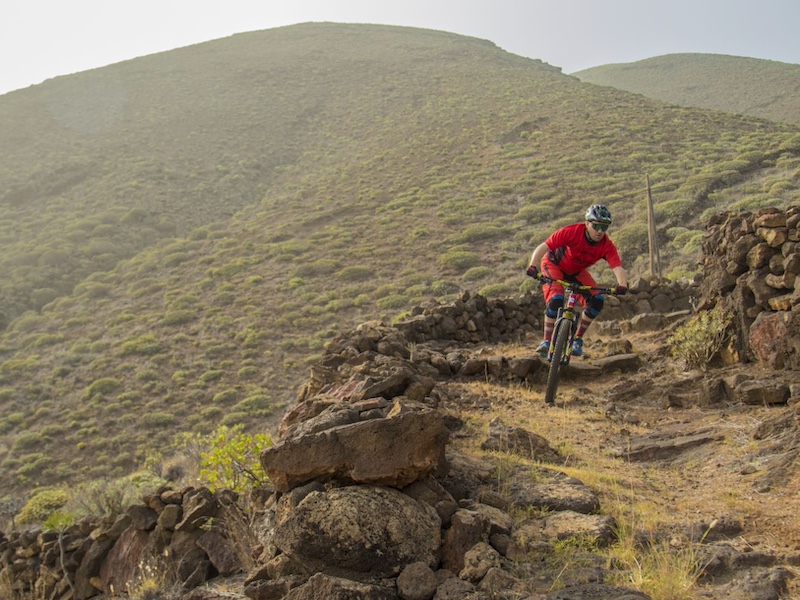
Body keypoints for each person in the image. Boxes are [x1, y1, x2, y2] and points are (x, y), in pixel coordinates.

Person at [526, 204, 628, 357]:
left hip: (576, 272)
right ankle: (546, 341)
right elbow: (544, 246)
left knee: (597, 301)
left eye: (604, 227)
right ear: (587, 223)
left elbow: (617, 267)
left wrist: (622, 285)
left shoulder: (606, 245)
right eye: (597, 225)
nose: (600, 231)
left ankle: (577, 338)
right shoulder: (571, 232)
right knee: (556, 299)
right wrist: (532, 266)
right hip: (554, 264)